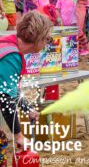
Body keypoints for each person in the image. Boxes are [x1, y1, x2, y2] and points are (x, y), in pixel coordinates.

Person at [0, 12, 52, 149]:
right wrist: (18, 136)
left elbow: (9, 89)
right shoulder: (11, 56)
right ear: (38, 38)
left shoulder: (9, 43)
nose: (48, 42)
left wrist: (26, 108)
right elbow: (5, 98)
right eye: (47, 38)